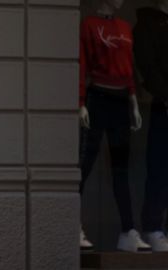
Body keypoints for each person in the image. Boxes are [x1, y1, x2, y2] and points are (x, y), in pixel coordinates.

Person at [78, 0, 150, 252]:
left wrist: (133, 102)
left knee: (121, 168)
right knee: (85, 164)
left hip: (121, 100)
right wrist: (81, 102)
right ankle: (74, 223)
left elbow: (128, 66)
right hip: (98, 97)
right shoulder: (89, 25)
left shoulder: (124, 27)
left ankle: (128, 230)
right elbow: (82, 63)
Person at [133, 0, 168, 252]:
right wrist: (165, 95)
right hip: (162, 105)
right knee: (159, 168)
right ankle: (153, 227)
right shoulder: (147, 25)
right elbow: (148, 66)